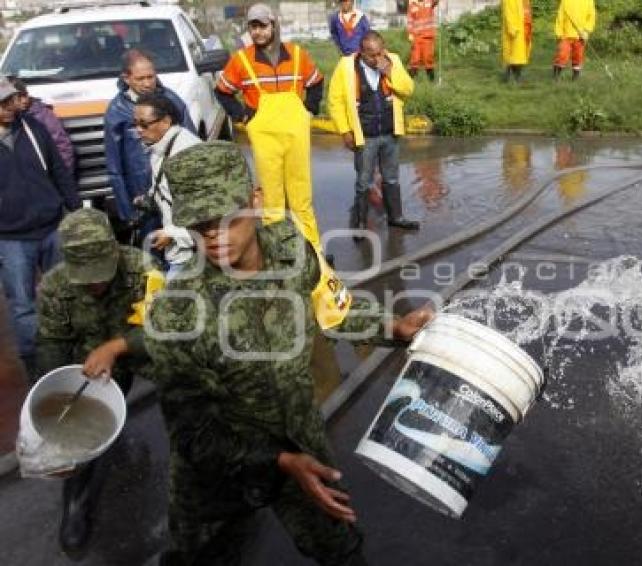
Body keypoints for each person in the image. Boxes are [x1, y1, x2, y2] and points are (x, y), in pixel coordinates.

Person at [146, 141, 433, 564]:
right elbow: (193, 434)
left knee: (341, 549)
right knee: (200, 555)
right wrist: (279, 462)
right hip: (217, 472)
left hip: (299, 443)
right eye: (199, 224)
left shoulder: (290, 248)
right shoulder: (177, 313)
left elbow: (329, 310)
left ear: (256, 200)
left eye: (226, 216)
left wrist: (393, 325)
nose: (213, 234)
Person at [36, 207, 164, 552]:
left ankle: (203, 467)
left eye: (101, 273)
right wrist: (50, 404)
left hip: (140, 351)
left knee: (190, 375)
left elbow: (167, 328)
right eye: (86, 276)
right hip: (87, 367)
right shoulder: (54, 286)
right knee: (72, 424)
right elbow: (51, 343)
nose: (95, 284)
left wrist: (118, 346)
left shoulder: (143, 269)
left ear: (115, 250)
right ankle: (76, 501)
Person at [215, 3, 325, 249]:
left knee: (301, 197)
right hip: (264, 137)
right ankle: (278, 253)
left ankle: (313, 251)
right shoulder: (241, 60)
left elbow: (316, 82)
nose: (257, 32)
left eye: (262, 26)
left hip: (296, 133)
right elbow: (222, 91)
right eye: (253, 27)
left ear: (273, 25)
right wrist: (243, 115)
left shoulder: (297, 54)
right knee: (272, 200)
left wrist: (309, 109)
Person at [0, 75, 80, 379]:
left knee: (63, 295)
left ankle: (69, 357)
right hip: (10, 238)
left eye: (11, 99)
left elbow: (59, 169)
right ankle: (38, 369)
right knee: (23, 306)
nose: (10, 106)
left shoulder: (33, 127)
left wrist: (73, 210)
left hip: (52, 227)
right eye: (3, 103)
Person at [328, 31, 420, 234]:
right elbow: (335, 101)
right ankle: (360, 224)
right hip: (365, 135)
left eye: (380, 53)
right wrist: (345, 131)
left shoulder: (392, 60)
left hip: (389, 133)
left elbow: (408, 89)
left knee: (392, 178)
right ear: (361, 52)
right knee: (363, 181)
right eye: (372, 55)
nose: (377, 58)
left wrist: (390, 72)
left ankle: (396, 217)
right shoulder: (346, 66)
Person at [104, 49, 195, 237]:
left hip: (176, 186)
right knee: (151, 248)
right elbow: (115, 167)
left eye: (151, 77)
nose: (147, 83)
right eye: (140, 78)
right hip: (142, 191)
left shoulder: (171, 100)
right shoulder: (117, 110)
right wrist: (127, 211)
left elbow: (193, 144)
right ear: (126, 78)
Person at [133, 93, 201, 275]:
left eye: (144, 124)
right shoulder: (159, 148)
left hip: (193, 256)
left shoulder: (187, 154)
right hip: (178, 252)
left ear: (166, 121)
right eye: (135, 124)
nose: (138, 130)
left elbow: (206, 212)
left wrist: (172, 234)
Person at [11, 77, 76, 172]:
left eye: (25, 94)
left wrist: (64, 174)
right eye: (19, 97)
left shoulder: (42, 114)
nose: (24, 100)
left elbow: (62, 146)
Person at [552, 0, 596, 80]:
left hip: (580, 36)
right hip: (565, 35)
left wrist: (586, 31)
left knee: (578, 56)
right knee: (562, 54)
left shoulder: (589, 1)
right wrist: (559, 33)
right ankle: (556, 75)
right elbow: (560, 17)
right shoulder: (565, 1)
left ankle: (575, 77)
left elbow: (591, 17)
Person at [406, 0, 439, 81]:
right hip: (416, 36)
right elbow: (410, 20)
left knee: (428, 58)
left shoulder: (429, 2)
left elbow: (436, 1)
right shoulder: (412, 5)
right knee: (415, 59)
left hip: (428, 36)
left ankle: (431, 80)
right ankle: (410, 81)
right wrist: (410, 33)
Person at [501, 0, 533, 82]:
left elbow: (527, 8)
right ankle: (512, 76)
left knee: (521, 55)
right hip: (516, 29)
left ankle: (516, 76)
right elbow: (508, 13)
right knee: (515, 55)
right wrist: (512, 28)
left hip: (525, 27)